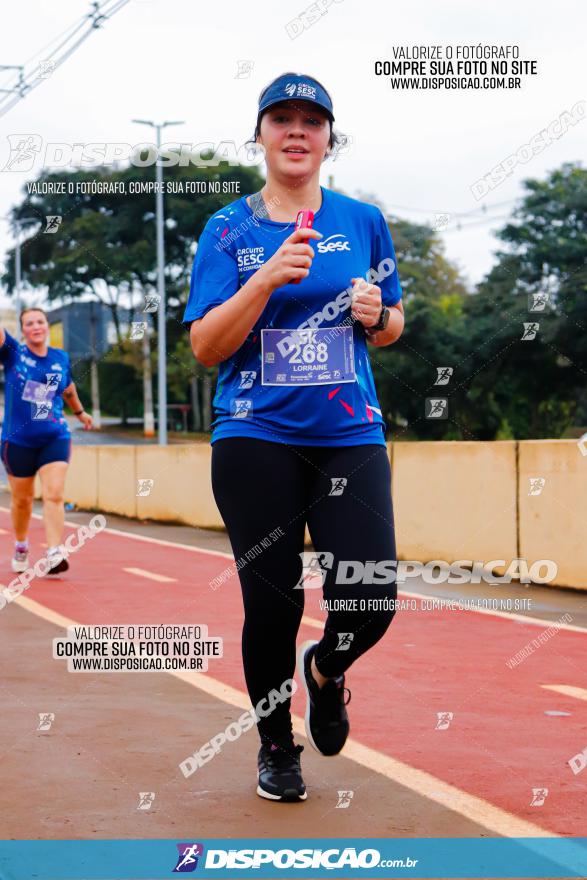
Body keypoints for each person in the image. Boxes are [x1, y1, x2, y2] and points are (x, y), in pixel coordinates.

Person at [185, 72, 405, 802]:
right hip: (255, 435)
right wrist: (263, 282)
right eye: (281, 118)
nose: (296, 131)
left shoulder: (363, 219)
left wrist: (376, 314)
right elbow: (206, 347)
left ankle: (327, 670)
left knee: (370, 596)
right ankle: (277, 748)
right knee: (273, 605)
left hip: (349, 433)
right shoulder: (227, 230)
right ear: (260, 135)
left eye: (311, 120)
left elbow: (395, 326)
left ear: (327, 138)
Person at [0, 307, 93, 574]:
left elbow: (67, 387)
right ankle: (20, 545)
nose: (36, 326)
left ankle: (53, 552)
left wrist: (80, 412)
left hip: (55, 436)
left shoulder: (60, 357)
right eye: (29, 323)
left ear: (46, 325)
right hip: (17, 441)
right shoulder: (13, 353)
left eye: (40, 321)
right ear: (23, 330)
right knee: (23, 500)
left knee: (54, 494)